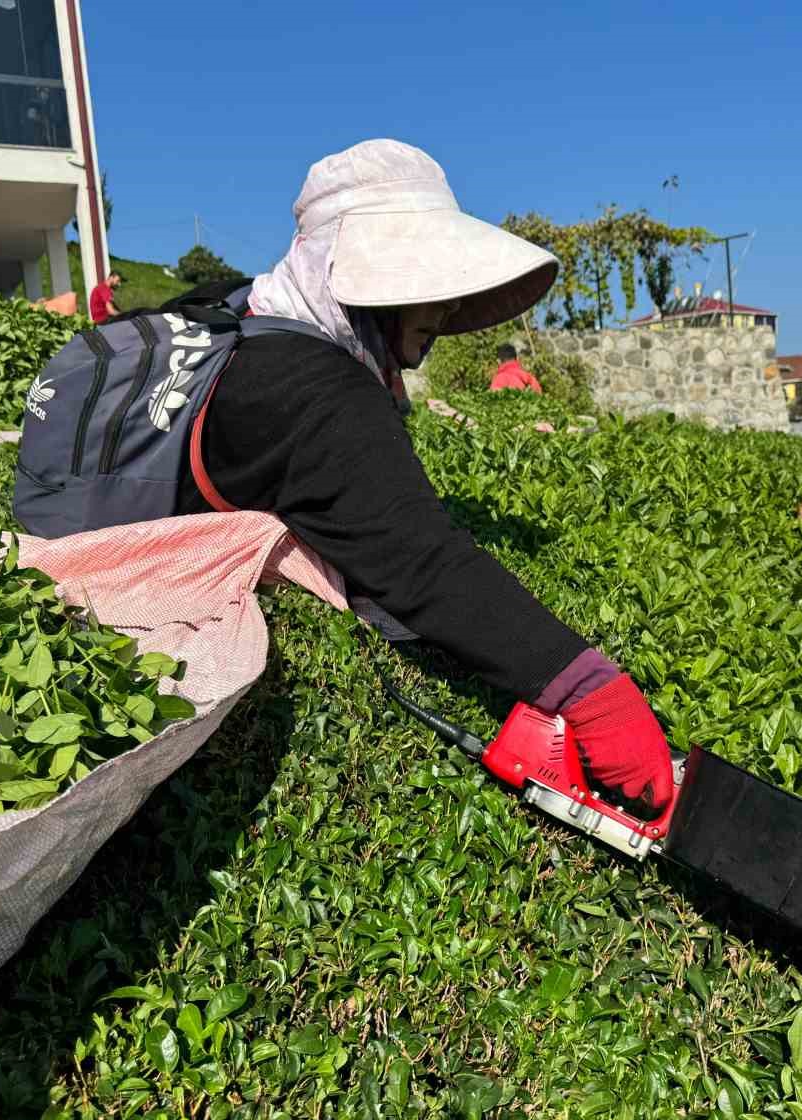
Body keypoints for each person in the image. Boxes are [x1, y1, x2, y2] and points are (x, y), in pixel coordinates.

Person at [173, 139, 675, 810]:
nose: (442, 307)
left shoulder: (249, 320)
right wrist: (591, 693)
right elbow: (421, 564)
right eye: (418, 283)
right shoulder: (316, 390)